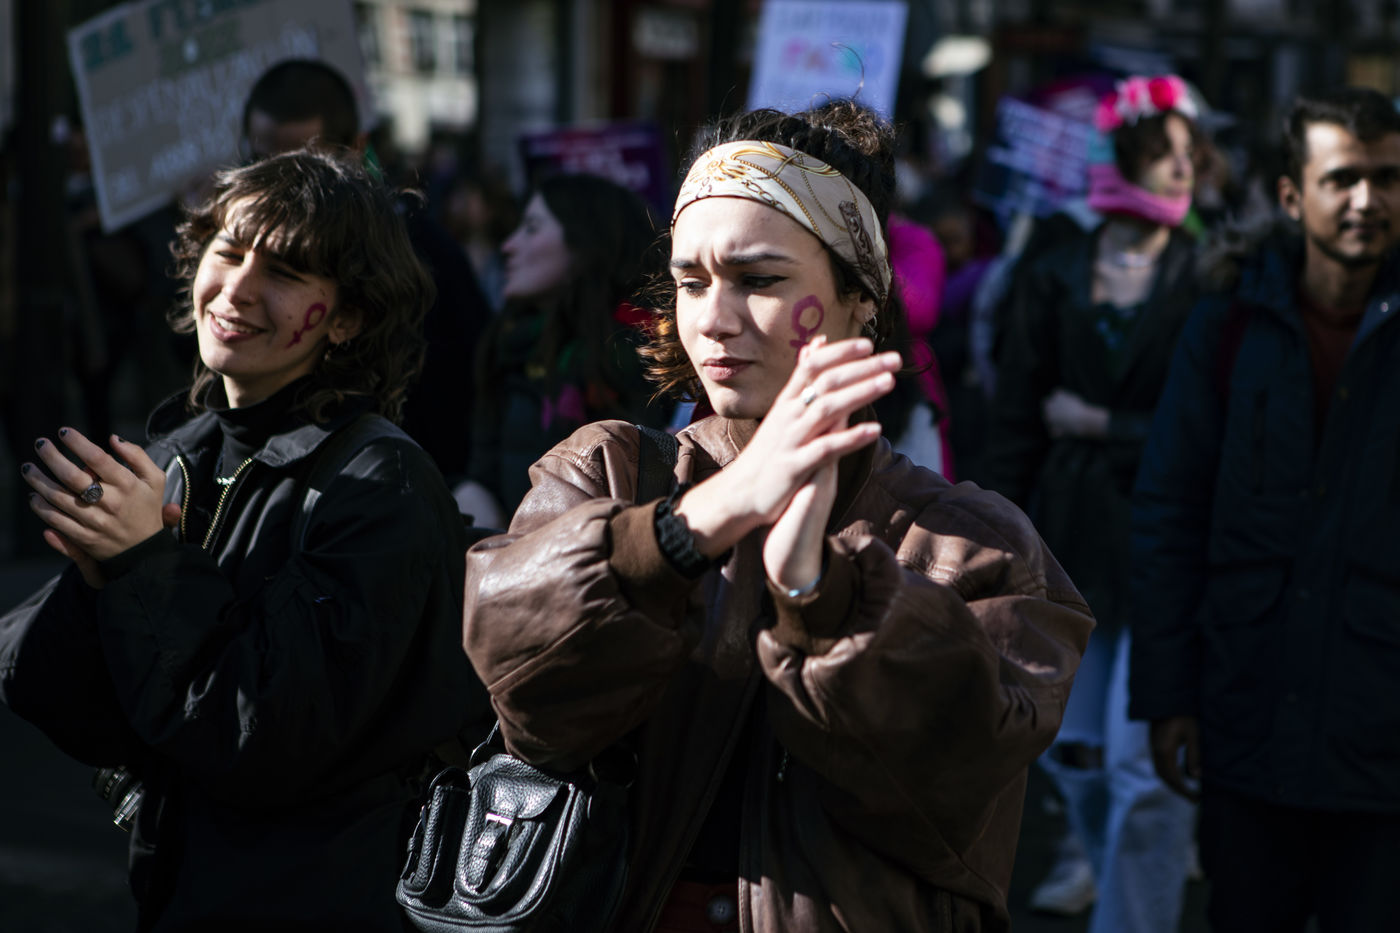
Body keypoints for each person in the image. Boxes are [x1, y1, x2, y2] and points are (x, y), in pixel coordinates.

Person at [460, 100, 1094, 932]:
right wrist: (685, 530)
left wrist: (820, 592)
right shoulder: (605, 469)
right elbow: (523, 688)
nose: (714, 319)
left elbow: (958, 780)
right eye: (691, 282)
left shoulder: (969, 541)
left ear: (860, 297)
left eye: (759, 280)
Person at [0, 150, 488, 931]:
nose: (237, 289)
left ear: (349, 316)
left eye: (286, 272)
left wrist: (142, 563)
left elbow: (264, 735)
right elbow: (59, 697)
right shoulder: (179, 453)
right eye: (227, 252)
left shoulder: (380, 486)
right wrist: (99, 575)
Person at [1131, 86, 1400, 933]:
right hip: (1248, 716)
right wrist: (1167, 693)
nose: (1367, 200)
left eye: (1388, 178)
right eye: (1343, 178)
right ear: (1292, 195)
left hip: (1384, 742)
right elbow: (1170, 511)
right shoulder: (1226, 327)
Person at [984, 74, 1207, 932]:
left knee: (1147, 768)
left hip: (1165, 541)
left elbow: (1212, 425)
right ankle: (1103, 867)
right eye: (1161, 153)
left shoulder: (1207, 275)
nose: (1181, 170)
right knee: (1071, 751)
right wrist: (997, 538)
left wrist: (1104, 423)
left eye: (1191, 155)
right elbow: (1016, 416)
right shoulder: (1053, 270)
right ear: (1119, 160)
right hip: (1070, 540)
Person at [242, 57, 493, 485]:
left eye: (305, 167)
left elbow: (470, 374)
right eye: (262, 161)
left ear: (354, 149)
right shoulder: (234, 244)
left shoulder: (416, 248)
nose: (280, 186)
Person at [456, 172, 671, 525]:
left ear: (586, 242)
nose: (509, 246)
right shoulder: (508, 344)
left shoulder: (641, 351)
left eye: (532, 228)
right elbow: (484, 472)